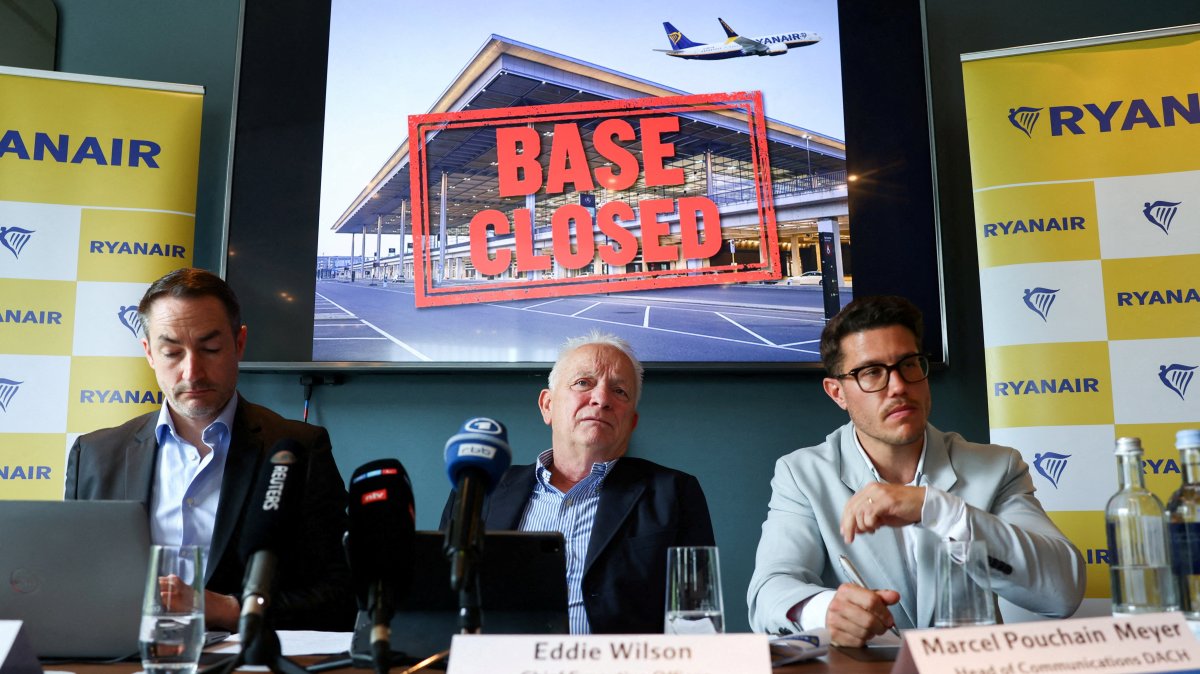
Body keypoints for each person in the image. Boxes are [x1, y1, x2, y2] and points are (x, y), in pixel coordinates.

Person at [747, 295, 1085, 645]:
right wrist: (825, 610)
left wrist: (940, 511)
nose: (898, 386)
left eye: (908, 364)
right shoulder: (803, 474)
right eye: (871, 372)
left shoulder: (996, 467)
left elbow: (1062, 593)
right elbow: (768, 594)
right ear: (837, 393)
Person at [64, 268, 355, 632]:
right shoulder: (94, 455)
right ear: (149, 353)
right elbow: (72, 584)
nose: (192, 371)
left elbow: (339, 598)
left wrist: (229, 609)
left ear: (239, 343)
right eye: (171, 352)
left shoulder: (297, 450)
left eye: (211, 349)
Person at [441, 331, 715, 634]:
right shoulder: (478, 491)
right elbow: (439, 607)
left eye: (620, 391)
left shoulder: (674, 494)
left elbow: (696, 623)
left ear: (631, 422)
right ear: (547, 406)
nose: (601, 399)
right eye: (583, 383)